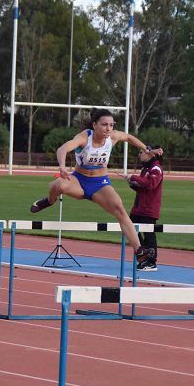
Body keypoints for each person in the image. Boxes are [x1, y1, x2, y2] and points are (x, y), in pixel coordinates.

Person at [30, 109, 160, 264]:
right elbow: (62, 149)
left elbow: (129, 137)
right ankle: (50, 201)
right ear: (94, 125)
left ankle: (139, 250)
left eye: (111, 125)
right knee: (58, 185)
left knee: (119, 208)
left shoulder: (112, 137)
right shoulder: (85, 137)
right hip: (79, 181)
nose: (108, 128)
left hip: (100, 184)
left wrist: (146, 149)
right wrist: (62, 166)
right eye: (104, 125)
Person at [122, 145, 164, 271]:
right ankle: (143, 256)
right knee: (129, 229)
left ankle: (151, 262)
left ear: (151, 154)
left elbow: (151, 184)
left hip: (148, 208)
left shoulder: (156, 168)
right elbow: (143, 187)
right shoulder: (146, 168)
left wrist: (134, 177)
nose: (139, 155)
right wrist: (133, 184)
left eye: (141, 152)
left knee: (149, 235)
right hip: (139, 207)